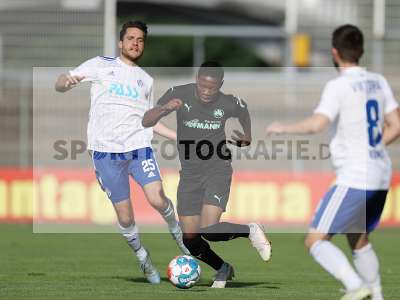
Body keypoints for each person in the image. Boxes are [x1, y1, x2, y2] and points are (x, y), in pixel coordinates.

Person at [266, 24, 400, 300]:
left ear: (335, 52)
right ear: (361, 50)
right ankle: (377, 296)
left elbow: (317, 124)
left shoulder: (338, 86)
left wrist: (283, 128)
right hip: (381, 172)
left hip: (355, 176)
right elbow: (396, 126)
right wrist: (372, 147)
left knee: (315, 241)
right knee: (358, 239)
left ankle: (354, 286)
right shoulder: (378, 81)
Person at [55, 20, 189, 284]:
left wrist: (177, 136)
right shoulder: (100, 65)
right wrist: (64, 82)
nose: (135, 43)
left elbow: (148, 120)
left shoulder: (146, 80)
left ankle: (178, 233)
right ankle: (142, 256)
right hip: (105, 153)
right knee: (126, 215)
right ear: (120, 42)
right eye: (131, 38)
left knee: (158, 198)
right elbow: (62, 81)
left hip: (138, 147)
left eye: (140, 40)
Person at [142, 61, 272, 288]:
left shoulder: (228, 102)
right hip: (190, 174)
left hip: (217, 168)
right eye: (202, 86)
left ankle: (250, 230)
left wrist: (247, 136)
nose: (206, 92)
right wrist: (165, 109)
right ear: (197, 80)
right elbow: (146, 120)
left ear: (220, 85)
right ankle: (223, 268)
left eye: (212, 88)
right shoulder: (178, 93)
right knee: (190, 238)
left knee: (209, 230)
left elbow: (243, 111)